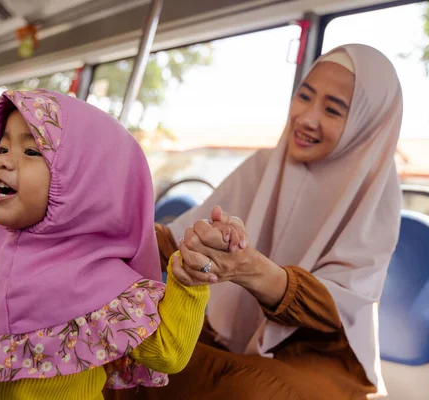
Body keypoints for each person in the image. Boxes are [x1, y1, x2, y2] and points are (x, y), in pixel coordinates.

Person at [106, 44, 403, 399]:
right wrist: (104, 224)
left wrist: (250, 270)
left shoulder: (375, 197)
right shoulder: (263, 166)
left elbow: (334, 310)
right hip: (224, 332)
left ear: (366, 124)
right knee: (128, 346)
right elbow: (175, 238)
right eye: (304, 96)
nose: (307, 117)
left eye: (332, 109)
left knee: (254, 392)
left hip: (315, 355)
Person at [0, 89, 209, 399]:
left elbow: (168, 352)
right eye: (3, 148)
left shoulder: (103, 285)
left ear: (82, 182)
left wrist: (190, 279)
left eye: (31, 152)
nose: (2, 163)